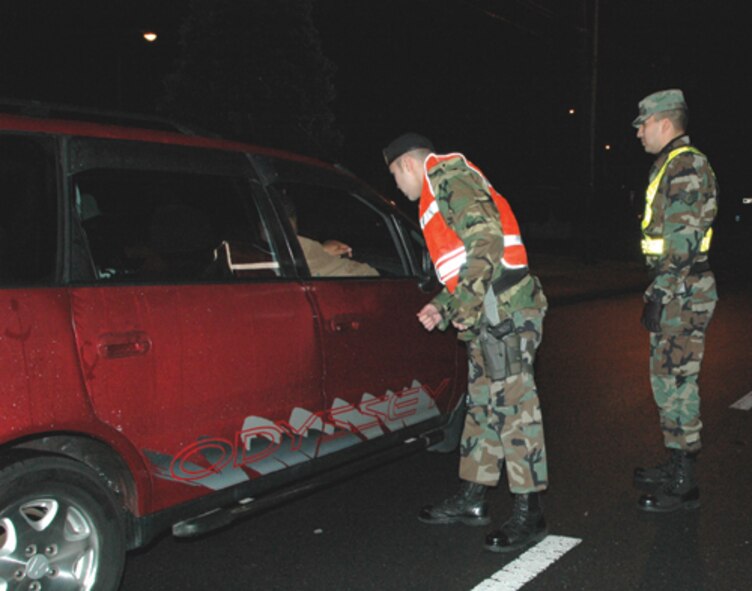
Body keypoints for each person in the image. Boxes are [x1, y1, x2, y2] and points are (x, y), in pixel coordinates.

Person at [383, 133, 548, 553]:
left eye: (394, 177)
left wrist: (465, 302)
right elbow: (464, 262)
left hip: (505, 310)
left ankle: (531, 512)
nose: (397, 188)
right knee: (483, 409)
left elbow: (487, 241)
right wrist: (444, 304)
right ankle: (473, 499)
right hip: (488, 313)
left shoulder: (448, 177)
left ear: (405, 164)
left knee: (515, 409)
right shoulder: (438, 193)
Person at [631, 89, 718, 512]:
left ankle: (685, 483)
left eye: (643, 124)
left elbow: (681, 241)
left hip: (683, 290)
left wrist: (661, 292)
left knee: (677, 382)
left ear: (665, 122)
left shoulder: (685, 165)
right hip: (678, 288)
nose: (639, 133)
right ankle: (674, 461)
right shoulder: (672, 163)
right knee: (666, 380)